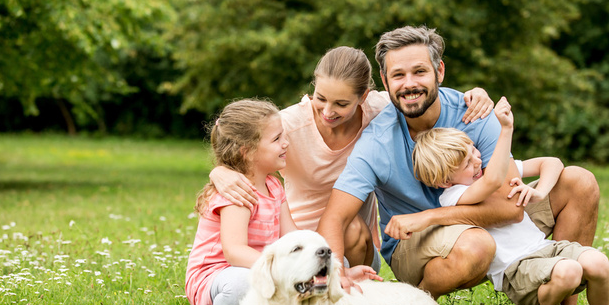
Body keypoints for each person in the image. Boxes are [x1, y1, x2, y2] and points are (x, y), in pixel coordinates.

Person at [317, 26, 600, 305]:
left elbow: (511, 209)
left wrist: (429, 216)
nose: (409, 84)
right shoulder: (377, 142)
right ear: (385, 81)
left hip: (476, 221)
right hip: (418, 245)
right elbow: (334, 218)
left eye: (419, 71)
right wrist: (335, 272)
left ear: (439, 71)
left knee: (579, 181)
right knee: (476, 244)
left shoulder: (475, 114)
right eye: (398, 75)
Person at [208, 46, 494, 276]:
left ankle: (352, 289)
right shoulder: (287, 126)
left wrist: (476, 93)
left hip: (356, 245)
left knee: (352, 227)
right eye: (320, 98)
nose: (327, 112)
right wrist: (219, 171)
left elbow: (419, 91)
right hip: (296, 240)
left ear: (363, 97)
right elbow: (238, 141)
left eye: (342, 104)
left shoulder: (380, 111)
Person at [411, 98, 609, 305]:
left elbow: (552, 163)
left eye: (474, 151)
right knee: (570, 271)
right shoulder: (454, 196)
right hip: (517, 267)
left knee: (599, 263)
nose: (478, 161)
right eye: (467, 163)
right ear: (445, 181)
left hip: (545, 249)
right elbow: (490, 183)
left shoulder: (487, 171)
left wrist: (538, 191)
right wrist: (505, 130)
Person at [185, 99, 299, 305]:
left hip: (256, 268)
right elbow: (234, 252)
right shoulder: (236, 194)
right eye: (276, 139)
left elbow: (291, 237)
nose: (285, 143)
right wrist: (278, 269)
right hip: (218, 278)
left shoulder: (274, 186)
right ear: (246, 150)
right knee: (243, 283)